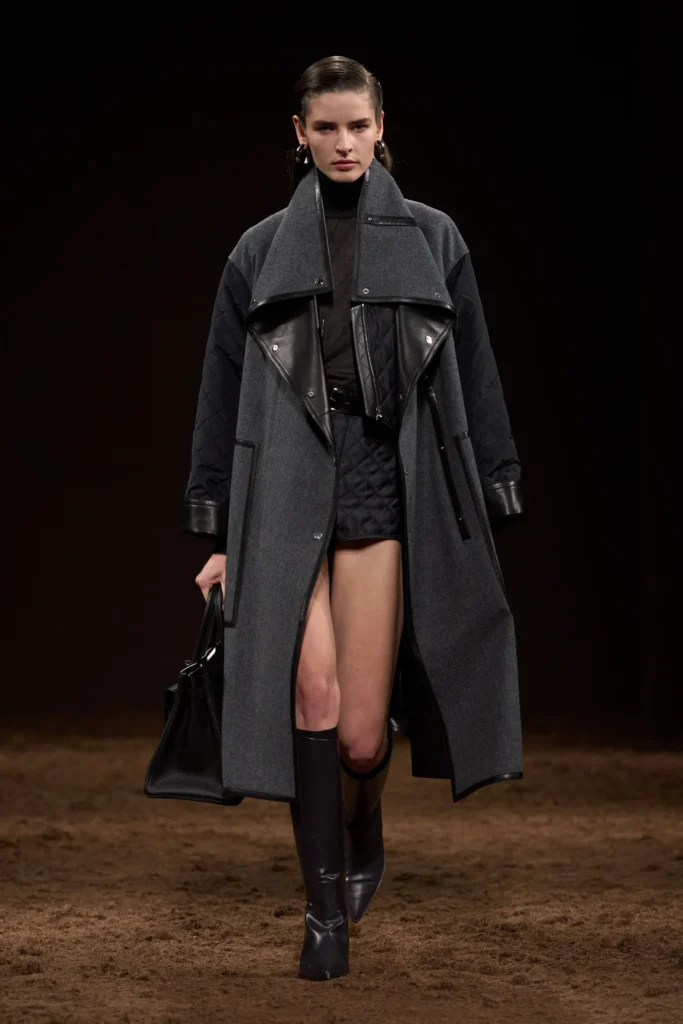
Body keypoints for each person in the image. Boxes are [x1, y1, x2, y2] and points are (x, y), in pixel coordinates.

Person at [183, 56, 524, 982]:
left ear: (382, 129)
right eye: (325, 128)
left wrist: (494, 484)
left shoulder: (432, 237)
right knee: (315, 699)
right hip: (285, 494)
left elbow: (477, 368)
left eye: (358, 127)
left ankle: (361, 816)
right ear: (296, 133)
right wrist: (216, 530)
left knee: (364, 736)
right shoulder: (257, 251)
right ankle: (323, 908)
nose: (343, 144)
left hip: (383, 490)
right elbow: (220, 392)